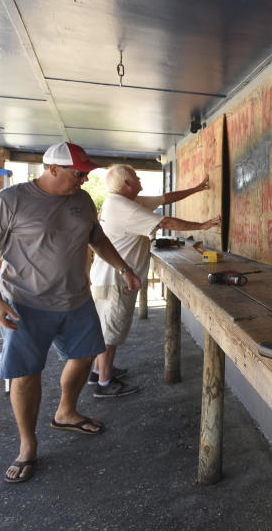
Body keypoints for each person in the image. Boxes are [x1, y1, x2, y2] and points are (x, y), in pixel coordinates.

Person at [0, 142, 141, 484]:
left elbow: (97, 238)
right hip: (25, 302)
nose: (82, 180)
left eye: (85, 174)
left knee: (87, 353)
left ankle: (66, 411)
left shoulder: (81, 200)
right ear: (52, 169)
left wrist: (124, 268)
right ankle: (27, 446)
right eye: (77, 174)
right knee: (26, 372)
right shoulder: (9, 201)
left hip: (76, 299)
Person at [88, 164, 220, 398]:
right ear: (127, 184)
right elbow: (165, 223)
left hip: (108, 277)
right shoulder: (124, 207)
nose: (140, 180)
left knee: (108, 327)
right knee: (111, 331)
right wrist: (202, 226)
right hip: (115, 279)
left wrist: (198, 188)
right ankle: (104, 383)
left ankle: (99, 371)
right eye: (137, 177)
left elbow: (166, 198)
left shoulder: (125, 201)